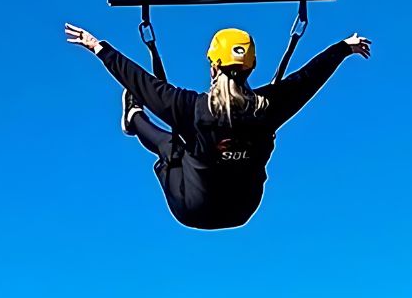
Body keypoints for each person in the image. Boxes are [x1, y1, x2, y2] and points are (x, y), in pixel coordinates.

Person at [65, 23, 371, 230]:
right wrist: (344, 47)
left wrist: (98, 47)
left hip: (192, 209)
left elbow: (143, 84)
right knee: (179, 149)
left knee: (170, 147)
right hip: (243, 209)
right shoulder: (268, 107)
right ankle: (134, 118)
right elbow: (307, 79)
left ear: (212, 66)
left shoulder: (193, 109)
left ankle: (133, 118)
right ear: (251, 67)